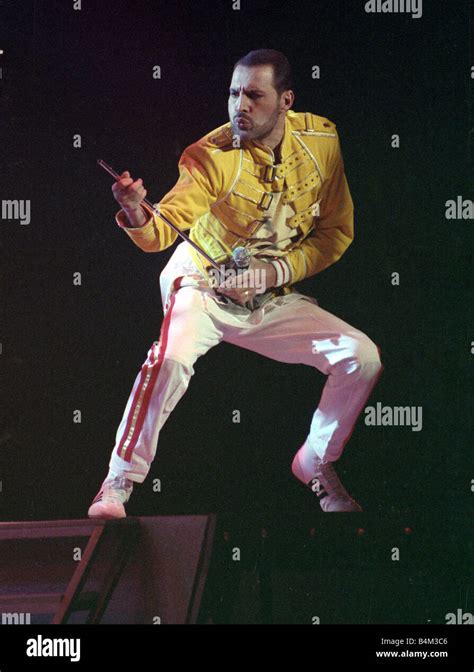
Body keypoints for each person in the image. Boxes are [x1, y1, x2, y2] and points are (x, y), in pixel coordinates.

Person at [88, 49, 383, 518]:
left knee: (360, 357)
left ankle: (315, 462)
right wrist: (134, 209)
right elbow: (162, 231)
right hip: (204, 288)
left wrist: (271, 274)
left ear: (286, 101)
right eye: (233, 93)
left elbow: (335, 234)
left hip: (270, 296)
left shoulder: (323, 141)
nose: (239, 106)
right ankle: (117, 482)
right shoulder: (210, 156)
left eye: (253, 95)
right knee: (170, 360)